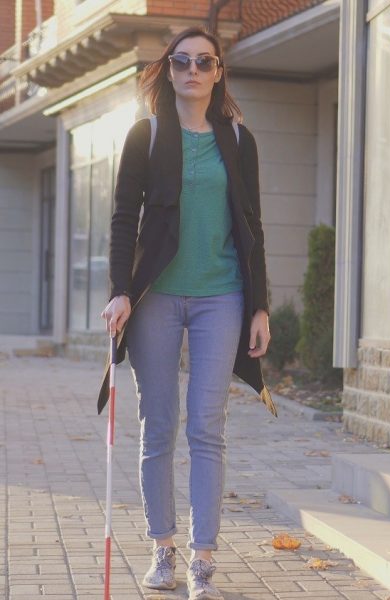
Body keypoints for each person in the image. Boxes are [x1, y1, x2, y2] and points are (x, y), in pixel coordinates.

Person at [97, 25, 277, 600]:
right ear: (168, 71)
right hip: (156, 299)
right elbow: (125, 219)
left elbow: (253, 228)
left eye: (204, 62)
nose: (193, 71)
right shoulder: (145, 135)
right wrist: (120, 290)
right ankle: (162, 548)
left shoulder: (240, 141)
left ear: (219, 72)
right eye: (182, 62)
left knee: (207, 427)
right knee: (159, 426)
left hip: (221, 295)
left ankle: (202, 559)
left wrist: (260, 306)